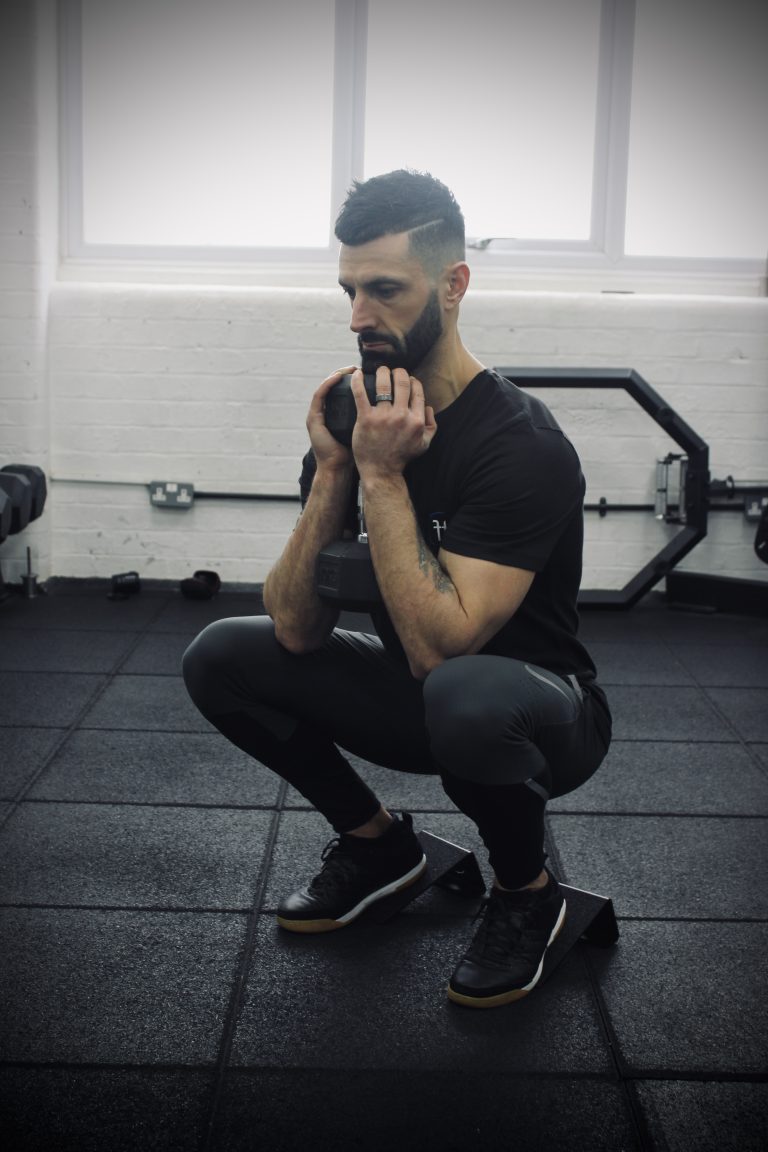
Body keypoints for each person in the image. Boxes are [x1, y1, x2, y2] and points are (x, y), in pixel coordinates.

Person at [183, 169, 611, 1008]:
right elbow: (297, 629)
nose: (358, 318)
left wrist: (380, 475)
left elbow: (442, 644)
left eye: (384, 290)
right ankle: (379, 845)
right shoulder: (356, 421)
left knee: (461, 690)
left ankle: (530, 897)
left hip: (541, 715)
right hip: (423, 697)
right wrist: (336, 468)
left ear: (453, 285)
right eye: (349, 290)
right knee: (223, 654)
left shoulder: (520, 443)